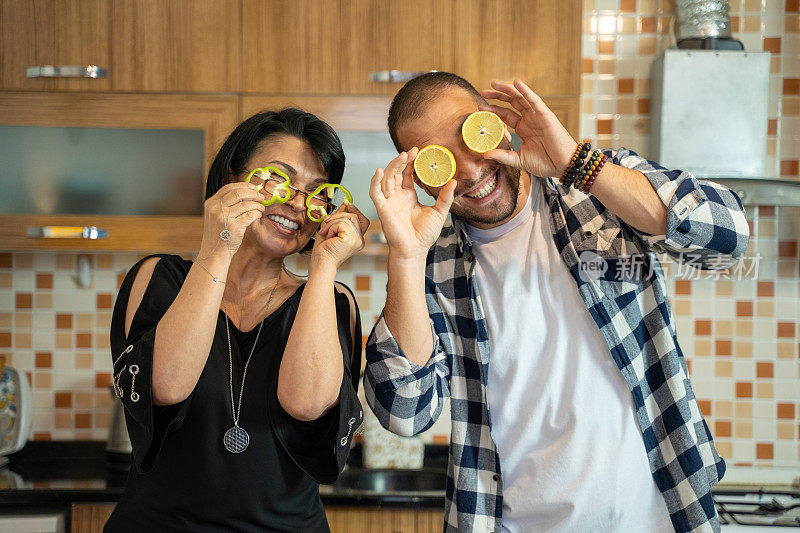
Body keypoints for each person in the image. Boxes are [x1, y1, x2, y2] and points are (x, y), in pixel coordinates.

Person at [364, 72, 748, 532]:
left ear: (496, 123)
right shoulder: (429, 265)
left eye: (472, 134)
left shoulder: (596, 195)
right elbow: (405, 413)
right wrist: (405, 255)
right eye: (439, 159)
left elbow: (729, 235)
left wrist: (579, 165)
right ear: (418, 176)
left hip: (659, 518)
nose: (469, 170)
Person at [105, 109, 369, 532]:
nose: (297, 203)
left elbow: (306, 404)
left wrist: (323, 265)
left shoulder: (331, 299)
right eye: (277, 178)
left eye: (318, 193)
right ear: (233, 178)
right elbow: (167, 385)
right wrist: (220, 244)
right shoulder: (158, 278)